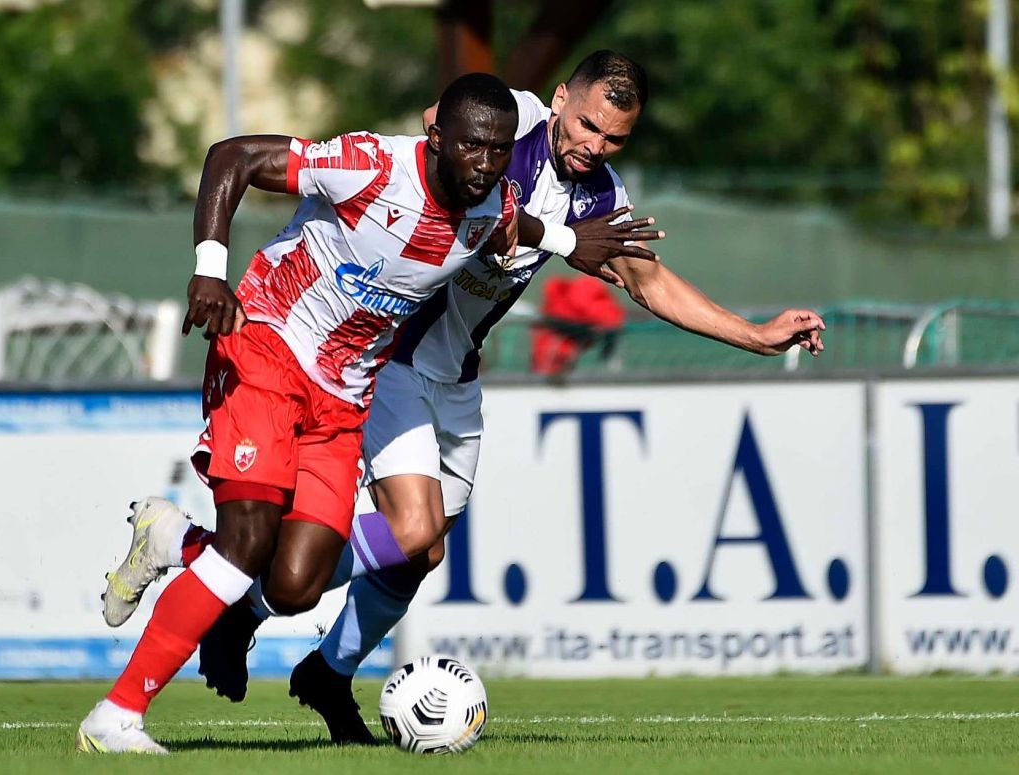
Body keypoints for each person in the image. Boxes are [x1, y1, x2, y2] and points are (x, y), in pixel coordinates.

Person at [190, 51, 827, 745]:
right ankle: (245, 598)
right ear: (560, 98)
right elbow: (438, 121)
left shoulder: (597, 195)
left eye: (614, 138)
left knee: (421, 554)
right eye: (586, 124)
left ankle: (327, 670)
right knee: (411, 528)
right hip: (393, 357)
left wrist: (758, 335)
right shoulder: (512, 124)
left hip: (457, 378)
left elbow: (648, 282)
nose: (595, 145)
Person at [77, 72, 653, 755]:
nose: (487, 164)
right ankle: (114, 716)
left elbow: (513, 220)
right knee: (248, 542)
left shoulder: (489, 200)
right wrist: (209, 269)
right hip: (268, 343)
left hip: (344, 393)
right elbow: (230, 156)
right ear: (435, 136)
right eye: (472, 147)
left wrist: (564, 243)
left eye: (500, 153)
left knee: (294, 586)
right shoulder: (370, 166)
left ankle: (172, 539)